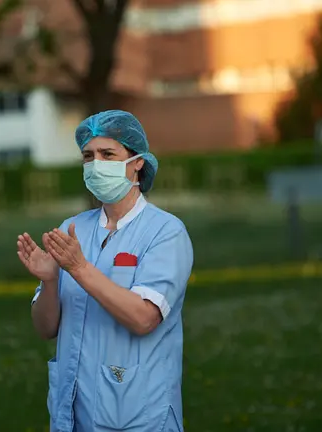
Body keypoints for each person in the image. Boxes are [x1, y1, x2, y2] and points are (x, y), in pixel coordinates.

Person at [17, 110, 193, 432]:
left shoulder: (166, 232)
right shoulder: (73, 229)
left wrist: (79, 268)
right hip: (74, 415)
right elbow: (45, 329)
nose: (96, 164)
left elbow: (144, 318)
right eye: (88, 155)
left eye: (107, 154)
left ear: (137, 161)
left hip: (140, 415)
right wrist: (51, 280)